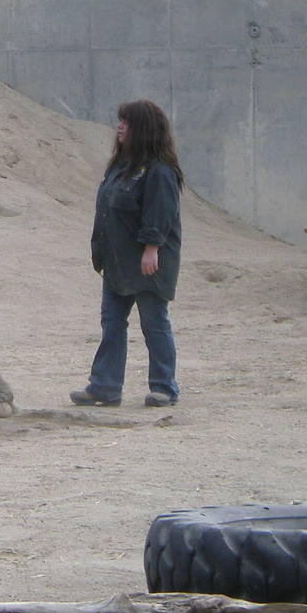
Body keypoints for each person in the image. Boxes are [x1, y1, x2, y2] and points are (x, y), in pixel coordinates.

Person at [72, 98, 183, 409]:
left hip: (148, 263)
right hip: (117, 262)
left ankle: (164, 387)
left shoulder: (159, 172)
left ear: (143, 129)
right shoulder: (121, 167)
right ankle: (105, 387)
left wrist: (152, 249)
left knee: (154, 323)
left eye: (127, 122)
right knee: (112, 324)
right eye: (120, 120)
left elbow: (160, 214)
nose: (120, 127)